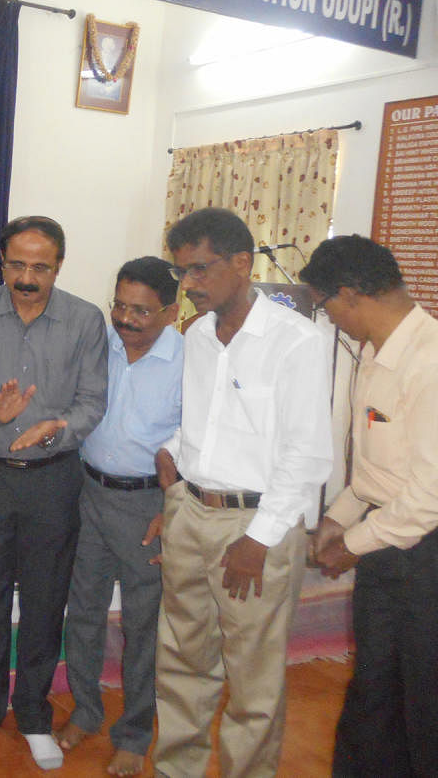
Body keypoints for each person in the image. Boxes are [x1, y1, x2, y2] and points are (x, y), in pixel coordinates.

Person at [152, 207, 332, 778]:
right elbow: (206, 423)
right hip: (191, 513)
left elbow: (307, 455)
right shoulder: (199, 336)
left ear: (241, 263)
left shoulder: (296, 341)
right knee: (181, 661)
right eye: (182, 272)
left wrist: (258, 540)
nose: (189, 285)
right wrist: (172, 455)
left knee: (252, 679)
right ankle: (175, 770)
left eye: (200, 270)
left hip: (255, 529)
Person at [0, 215, 107, 770]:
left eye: (40, 266)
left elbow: (92, 401)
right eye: (17, 265)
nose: (27, 277)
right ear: (2, 262)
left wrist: (57, 426)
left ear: (58, 266)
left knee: (44, 599)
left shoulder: (85, 320)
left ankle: (33, 712)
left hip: (53, 478)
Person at [299, 235, 438, 777]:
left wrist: (350, 547)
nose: (330, 320)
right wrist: (337, 518)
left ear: (351, 295)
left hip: (424, 557)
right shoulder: (375, 353)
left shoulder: (428, 362)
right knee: (374, 693)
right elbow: (377, 474)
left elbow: (427, 498)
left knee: (423, 701)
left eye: (327, 305)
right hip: (385, 547)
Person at [55, 257, 183, 776]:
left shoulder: (190, 360)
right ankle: (86, 710)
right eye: (120, 305)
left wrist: (173, 507)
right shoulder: (98, 344)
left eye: (142, 311)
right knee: (82, 611)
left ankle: (133, 734)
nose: (126, 319)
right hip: (88, 493)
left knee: (142, 626)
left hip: (148, 506)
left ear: (172, 312)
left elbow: (196, 437)